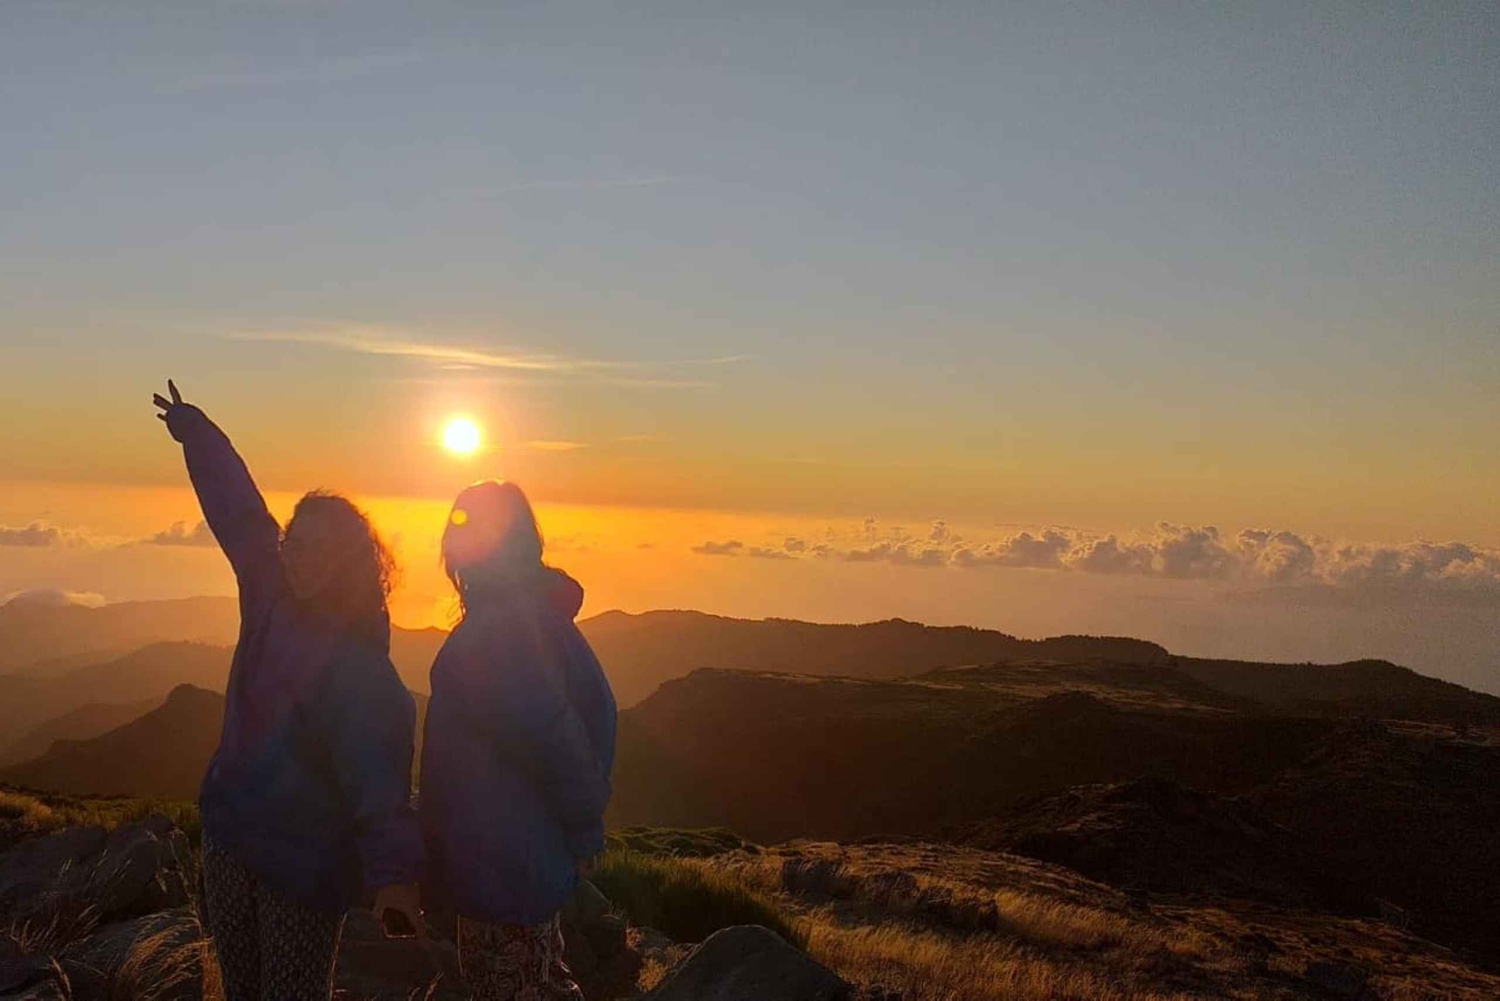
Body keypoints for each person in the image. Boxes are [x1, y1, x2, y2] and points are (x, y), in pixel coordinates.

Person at [152, 380, 423, 1001]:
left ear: (354, 563)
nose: (302, 561)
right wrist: (197, 432)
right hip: (230, 839)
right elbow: (240, 510)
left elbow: (380, 784)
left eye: (322, 552)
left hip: (302, 867)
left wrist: (394, 880)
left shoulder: (362, 672)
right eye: (296, 546)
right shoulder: (270, 593)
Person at [420, 480, 617, 1001]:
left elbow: (552, 735)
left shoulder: (500, 633)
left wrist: (584, 826)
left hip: (500, 868)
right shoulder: (534, 621)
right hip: (525, 858)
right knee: (543, 983)